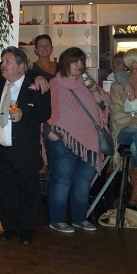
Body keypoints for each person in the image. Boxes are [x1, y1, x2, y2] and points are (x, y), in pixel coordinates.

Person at [45, 47, 109, 233]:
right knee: (62, 180)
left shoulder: (88, 82)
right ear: (65, 63)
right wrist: (51, 133)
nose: (79, 64)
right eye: (75, 61)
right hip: (62, 140)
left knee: (83, 181)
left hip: (90, 140)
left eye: (81, 61)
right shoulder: (55, 83)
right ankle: (57, 220)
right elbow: (45, 110)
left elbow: (104, 105)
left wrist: (94, 91)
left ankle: (80, 218)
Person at [0, 47, 51, 245]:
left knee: (27, 191)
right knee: (5, 191)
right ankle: (10, 227)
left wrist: (25, 115)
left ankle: (26, 230)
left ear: (20, 67)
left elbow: (45, 112)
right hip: (1, 150)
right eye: (2, 61)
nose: (2, 65)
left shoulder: (35, 85)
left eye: (7, 61)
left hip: (24, 149)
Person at [109, 49, 137, 209]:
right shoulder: (118, 85)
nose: (134, 65)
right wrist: (133, 117)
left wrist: (133, 114)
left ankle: (135, 188)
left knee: (135, 146)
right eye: (131, 62)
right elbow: (117, 114)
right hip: (124, 129)